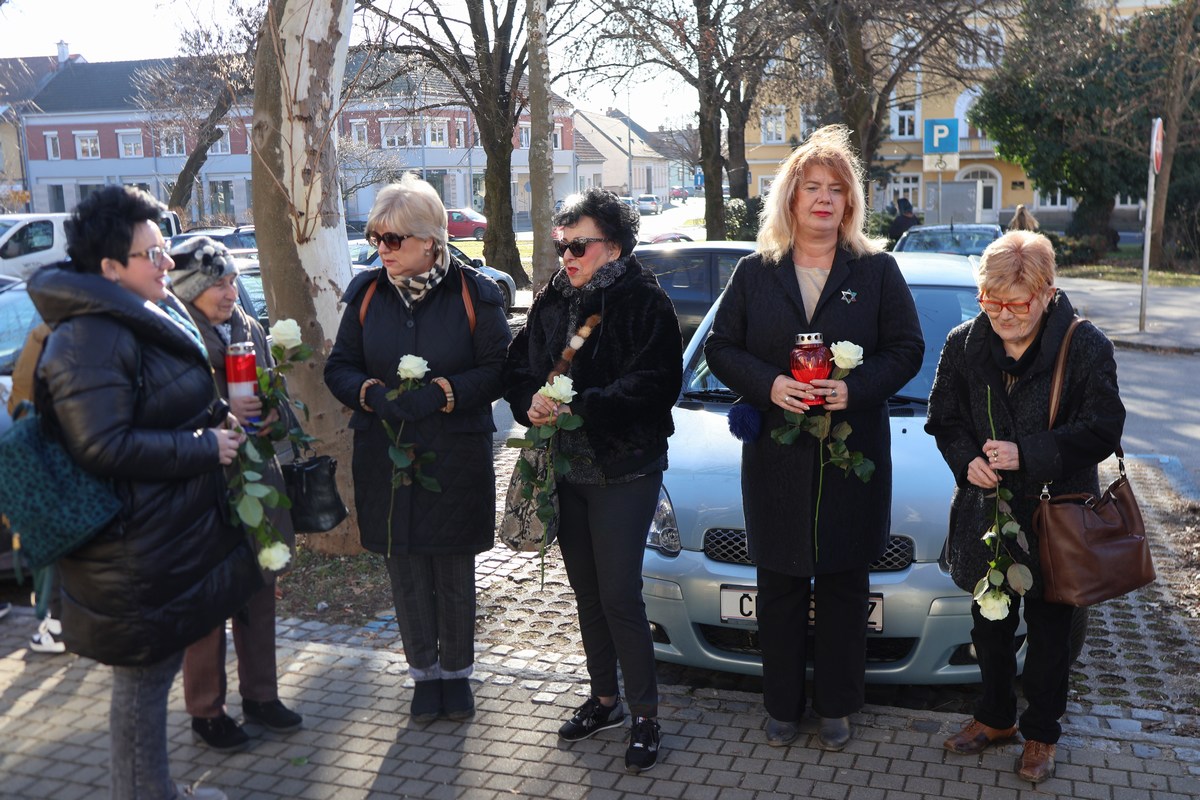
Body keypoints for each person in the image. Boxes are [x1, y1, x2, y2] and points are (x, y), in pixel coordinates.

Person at [27, 185, 261, 800]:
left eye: (164, 251)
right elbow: (101, 445)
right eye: (152, 255)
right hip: (130, 550)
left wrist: (218, 420)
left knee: (147, 686)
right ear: (109, 268)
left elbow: (160, 407)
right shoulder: (91, 337)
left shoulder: (137, 314)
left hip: (158, 538)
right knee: (140, 691)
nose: (166, 264)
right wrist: (204, 447)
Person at [704, 125, 923, 751]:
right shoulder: (755, 272)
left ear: (850, 203)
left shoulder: (877, 271)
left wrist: (855, 390)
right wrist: (770, 385)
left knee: (844, 588)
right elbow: (720, 348)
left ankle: (836, 707)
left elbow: (907, 349)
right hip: (776, 455)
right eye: (811, 188)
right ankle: (781, 705)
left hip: (853, 455)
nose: (824, 199)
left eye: (836, 189)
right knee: (777, 585)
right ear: (790, 199)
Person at [926, 230, 1125, 784]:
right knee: (988, 626)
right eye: (992, 301)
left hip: (1054, 513)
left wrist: (1028, 453)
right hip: (986, 515)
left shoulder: (1085, 346)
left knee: (1050, 632)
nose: (1004, 315)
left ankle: (1041, 734)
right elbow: (943, 417)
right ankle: (993, 718)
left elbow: (1105, 429)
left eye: (1017, 303)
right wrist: (966, 460)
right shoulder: (965, 341)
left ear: (1047, 292)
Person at [502, 188, 683, 774]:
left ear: (613, 246)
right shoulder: (553, 298)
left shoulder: (642, 299)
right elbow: (520, 366)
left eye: (578, 246)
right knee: (585, 593)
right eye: (561, 246)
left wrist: (582, 403)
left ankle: (646, 715)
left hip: (624, 466)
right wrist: (529, 400)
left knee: (619, 595)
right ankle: (605, 700)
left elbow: (657, 383)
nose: (567, 257)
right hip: (566, 468)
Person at [324, 174, 510, 724]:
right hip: (386, 453)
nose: (382, 249)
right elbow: (339, 368)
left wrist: (441, 395)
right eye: (376, 237)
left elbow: (499, 369)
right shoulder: (365, 294)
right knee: (403, 567)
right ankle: (423, 677)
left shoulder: (477, 293)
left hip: (454, 452)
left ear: (432, 239)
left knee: (452, 569)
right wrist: (374, 395)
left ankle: (457, 676)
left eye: (394, 239)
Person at [169, 236, 303, 752]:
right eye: (218, 284)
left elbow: (272, 390)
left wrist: (273, 414)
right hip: (205, 485)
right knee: (208, 600)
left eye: (231, 281)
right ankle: (206, 711)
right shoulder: (177, 332)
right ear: (190, 289)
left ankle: (261, 696)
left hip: (257, 481)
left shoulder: (246, 325)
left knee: (258, 590)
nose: (230, 292)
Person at [8, 322, 66, 653]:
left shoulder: (47, 332)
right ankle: (53, 623)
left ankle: (53, 624)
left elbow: (18, 398)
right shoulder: (49, 334)